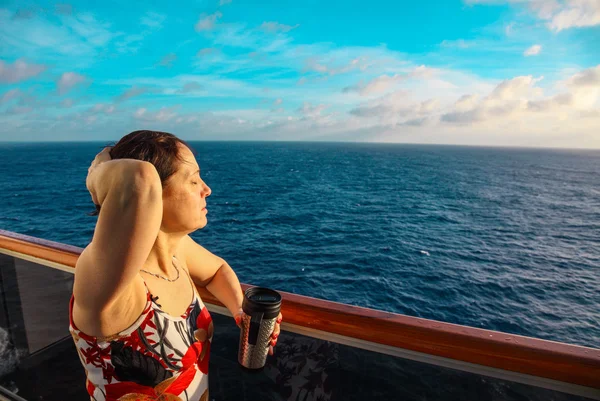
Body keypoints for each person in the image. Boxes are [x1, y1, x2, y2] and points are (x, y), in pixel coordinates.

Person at [69, 130, 283, 401]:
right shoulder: (109, 282)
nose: (207, 189)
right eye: (194, 180)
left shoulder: (175, 252)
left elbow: (217, 271)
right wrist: (96, 172)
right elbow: (138, 177)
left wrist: (240, 310)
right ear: (154, 194)